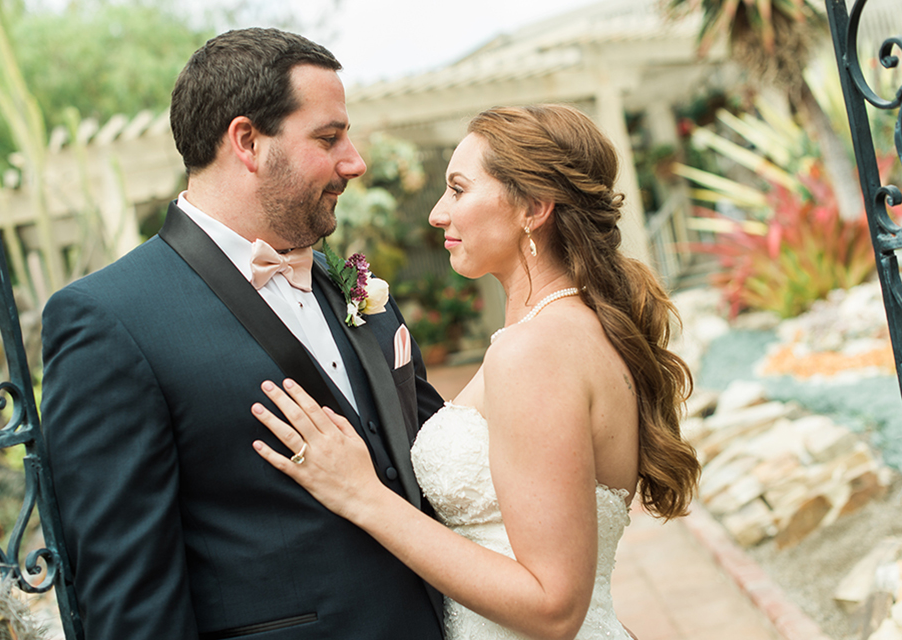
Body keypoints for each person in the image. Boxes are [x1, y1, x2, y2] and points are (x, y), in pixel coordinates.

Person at [40, 28, 445, 640]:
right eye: (329, 138)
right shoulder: (109, 319)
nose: (354, 161)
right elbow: (131, 604)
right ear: (248, 141)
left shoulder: (354, 286)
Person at [249, 104, 702, 640]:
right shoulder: (574, 327)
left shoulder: (534, 350)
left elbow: (552, 607)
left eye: (459, 190)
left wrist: (360, 494)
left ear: (534, 207)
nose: (438, 213)